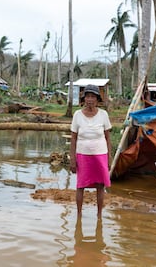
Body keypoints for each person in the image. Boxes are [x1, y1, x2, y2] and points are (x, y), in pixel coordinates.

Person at [70, 84, 112, 219]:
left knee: (100, 185)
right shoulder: (77, 115)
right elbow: (73, 138)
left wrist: (109, 158)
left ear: (97, 99)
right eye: (87, 96)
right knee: (81, 185)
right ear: (84, 99)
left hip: (100, 154)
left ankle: (99, 215)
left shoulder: (103, 115)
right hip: (82, 155)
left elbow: (107, 138)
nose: (90, 100)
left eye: (93, 97)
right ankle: (79, 215)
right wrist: (72, 159)